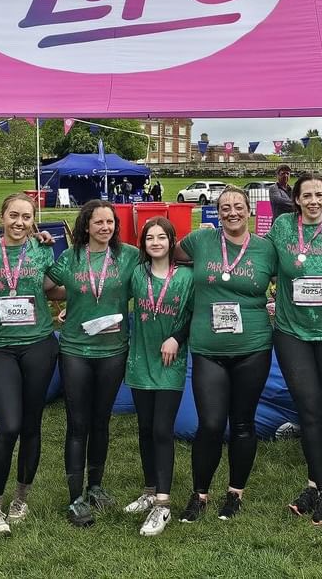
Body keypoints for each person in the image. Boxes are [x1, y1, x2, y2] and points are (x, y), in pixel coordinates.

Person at [175, 185, 278, 522]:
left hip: (253, 347)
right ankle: (199, 494)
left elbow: (297, 278)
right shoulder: (199, 241)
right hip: (207, 348)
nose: (232, 212)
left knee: (244, 424)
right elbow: (162, 254)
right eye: (224, 208)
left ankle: (235, 493)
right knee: (211, 424)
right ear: (217, 213)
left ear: (248, 210)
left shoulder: (266, 249)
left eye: (238, 206)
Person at [48, 199, 140, 527]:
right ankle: (75, 498)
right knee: (78, 422)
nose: (105, 227)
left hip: (113, 350)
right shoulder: (70, 257)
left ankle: (96, 487)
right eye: (98, 222)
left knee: (101, 421)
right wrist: (71, 298)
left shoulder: (128, 255)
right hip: (75, 350)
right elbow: (48, 286)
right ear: (85, 225)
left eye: (110, 222)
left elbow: (155, 274)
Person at [0, 193, 60, 539]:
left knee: (31, 425)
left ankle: (21, 497)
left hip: (40, 344)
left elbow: (54, 288)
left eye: (26, 217)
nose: (20, 223)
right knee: (7, 426)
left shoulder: (42, 249)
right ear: (2, 216)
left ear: (33, 220)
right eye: (14, 215)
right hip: (2, 348)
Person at [266, 173, 322, 525]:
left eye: (319, 195)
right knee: (310, 406)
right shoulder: (283, 226)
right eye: (307, 196)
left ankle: (314, 483)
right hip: (291, 331)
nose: (313, 201)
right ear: (296, 199)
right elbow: (261, 262)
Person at [123, 217, 194, 536]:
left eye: (161, 237)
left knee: (163, 430)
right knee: (146, 429)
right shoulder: (137, 273)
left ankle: (163, 504)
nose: (155, 242)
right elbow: (109, 294)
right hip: (140, 361)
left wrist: (177, 337)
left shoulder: (187, 277)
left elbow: (194, 314)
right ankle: (150, 490)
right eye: (149, 238)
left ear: (171, 241)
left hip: (169, 364)